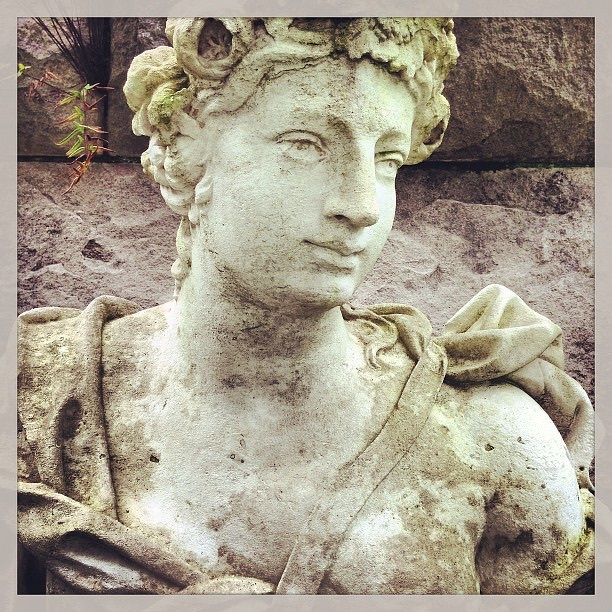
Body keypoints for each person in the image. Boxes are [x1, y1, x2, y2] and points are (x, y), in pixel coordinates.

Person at [17, 17, 594, 594]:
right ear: (187, 148)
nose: (361, 205)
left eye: (387, 159)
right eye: (305, 145)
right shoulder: (34, 402)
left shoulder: (497, 444)